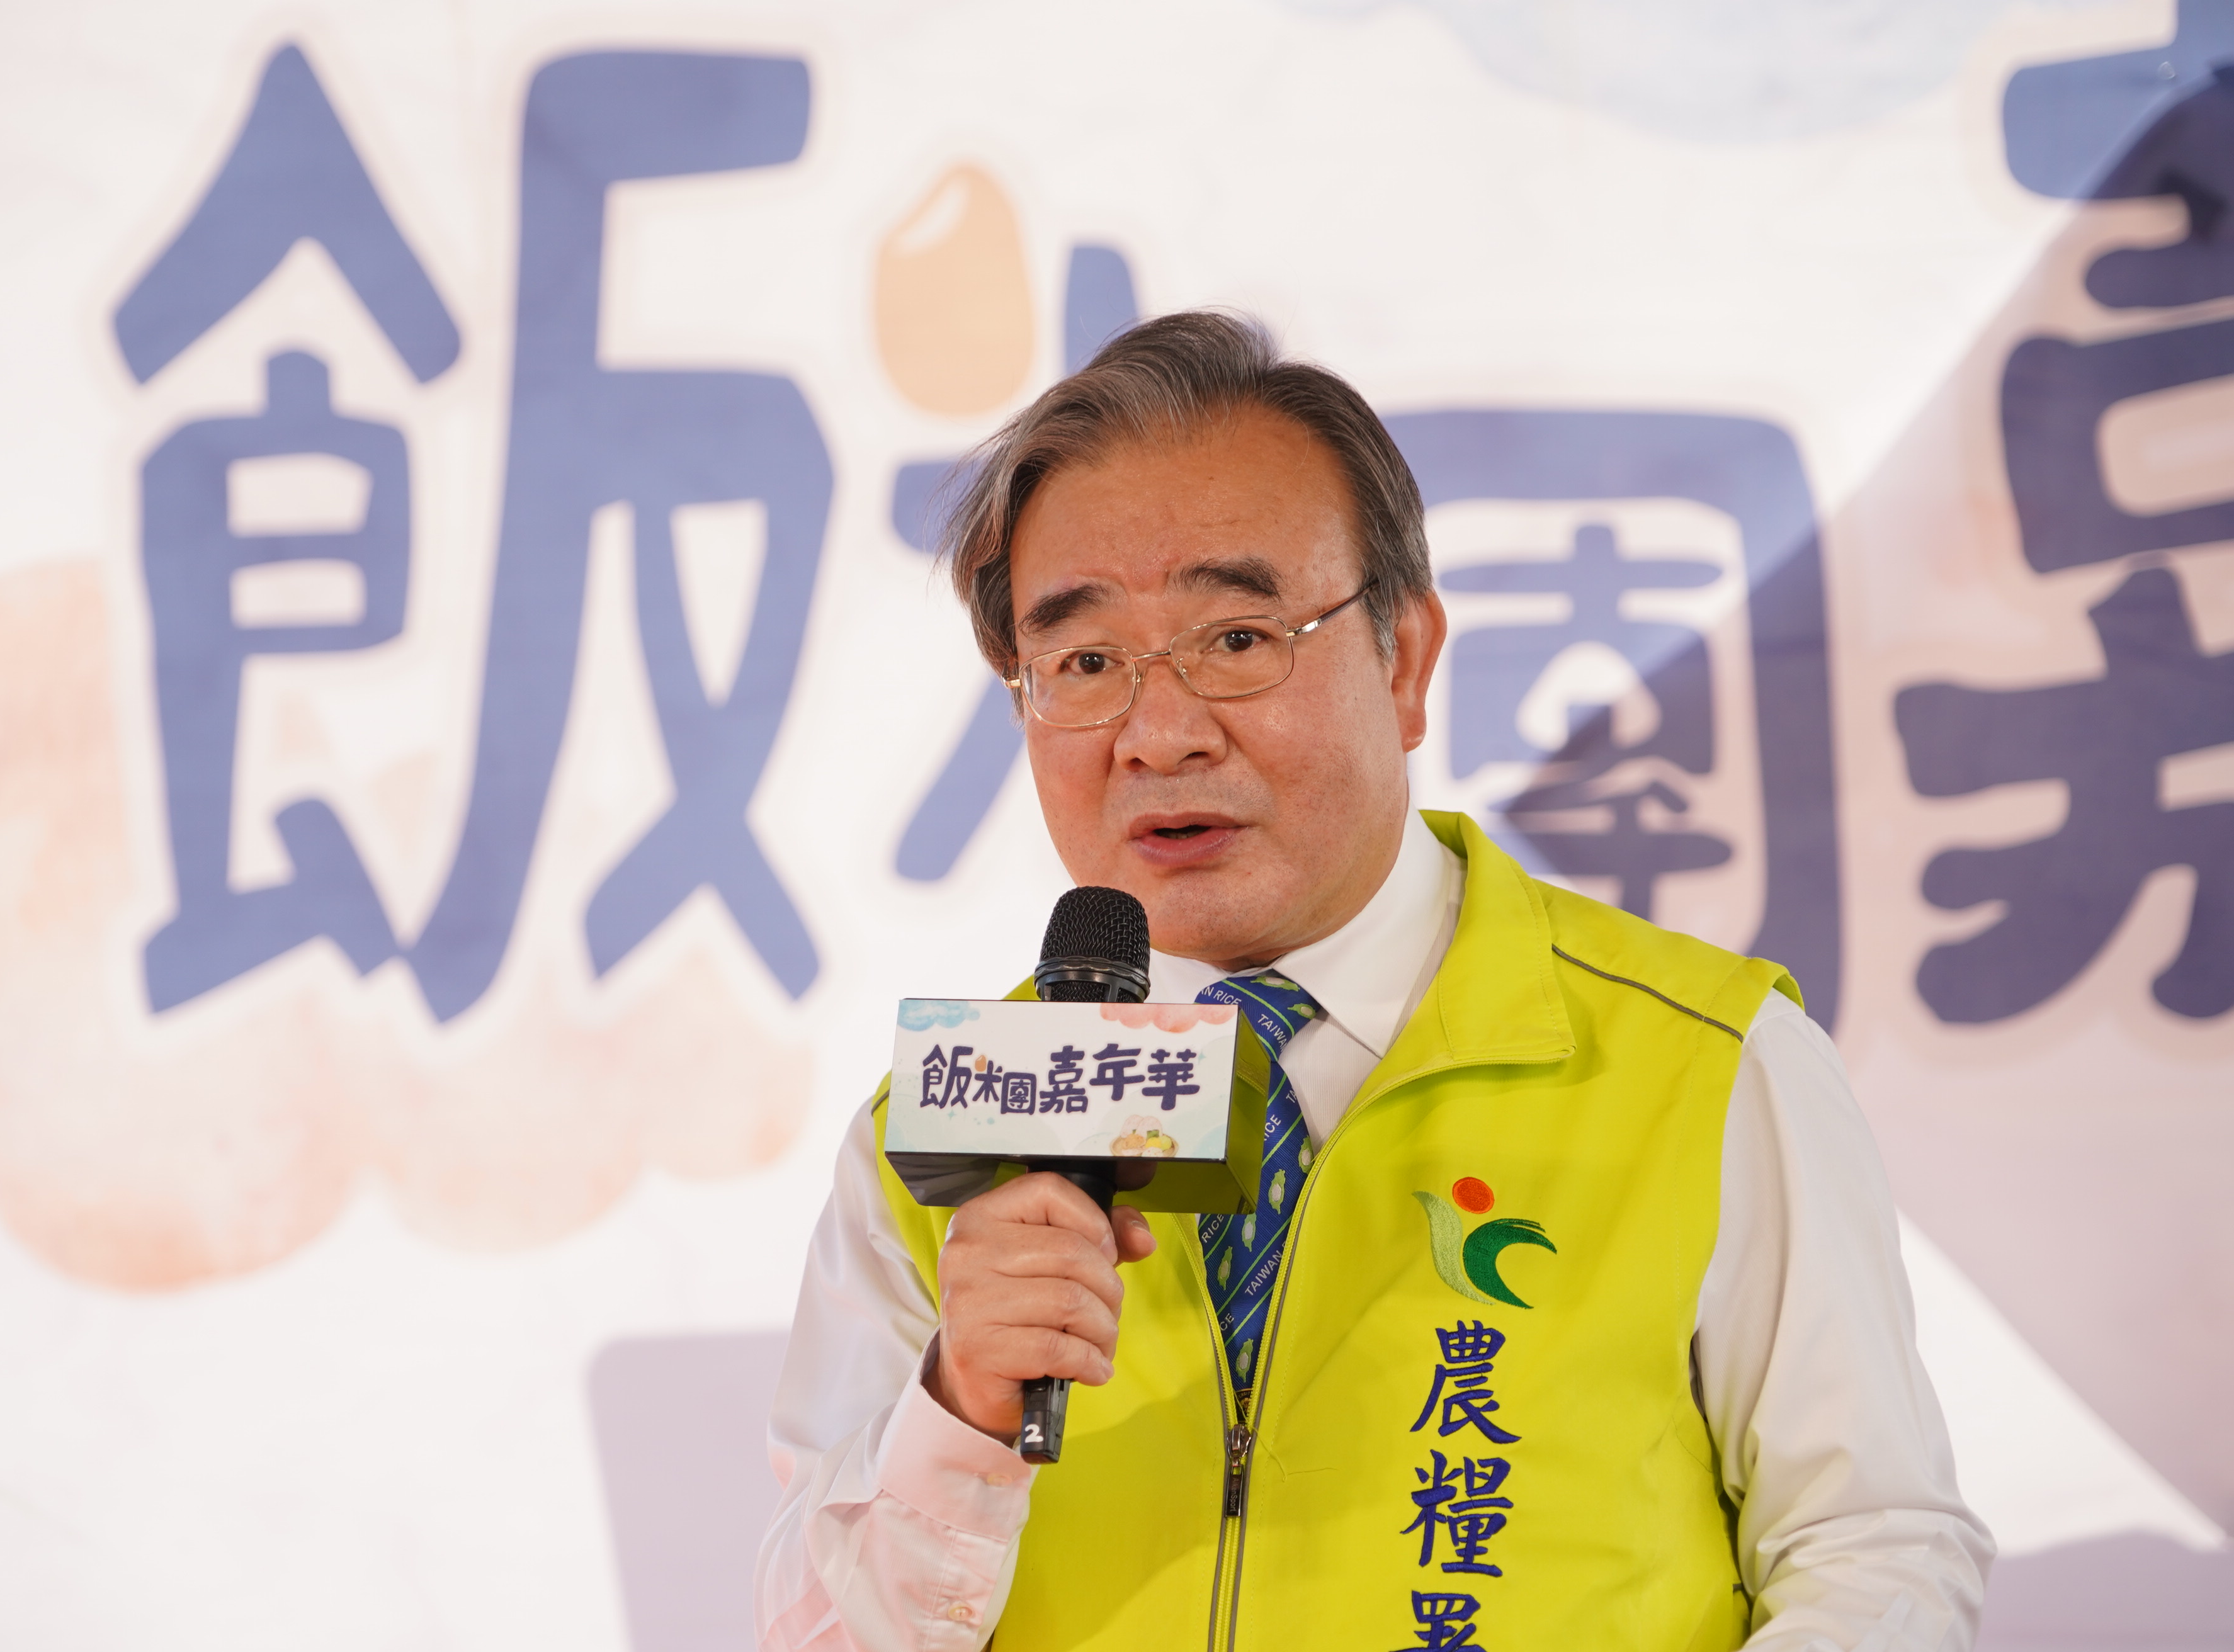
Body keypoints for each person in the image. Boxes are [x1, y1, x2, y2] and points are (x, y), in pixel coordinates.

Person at [756, 312, 1990, 1651]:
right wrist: (961, 1409)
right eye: (1086, 662)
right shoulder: (935, 1140)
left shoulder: (1705, 1060)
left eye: (1237, 638)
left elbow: (1873, 1553)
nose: (1158, 734)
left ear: (1403, 659)